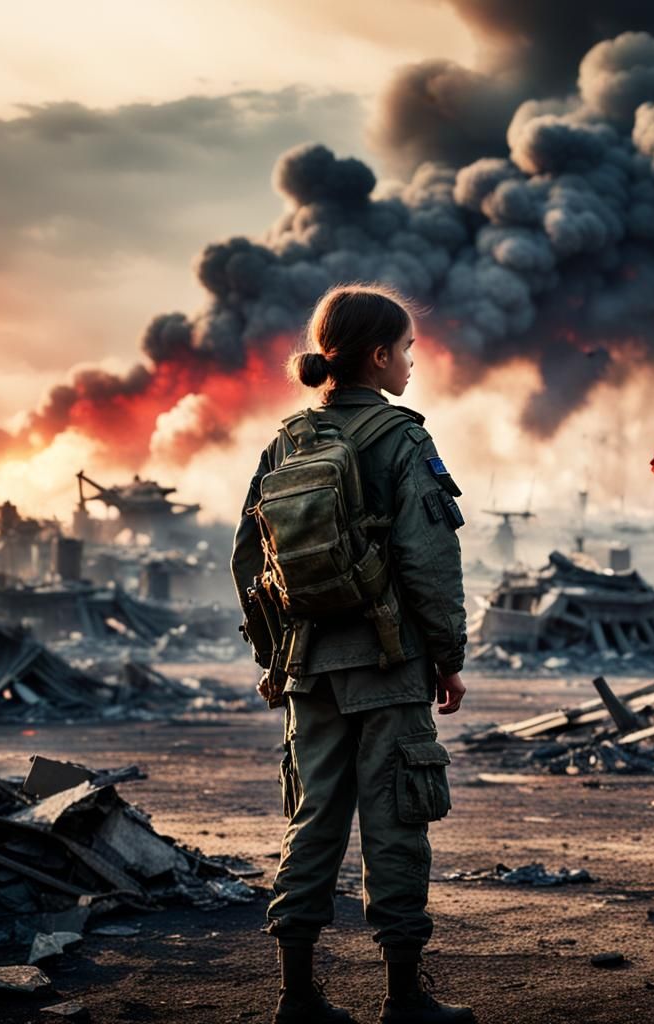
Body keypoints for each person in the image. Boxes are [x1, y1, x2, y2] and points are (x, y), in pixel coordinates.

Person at [231, 284, 474, 1024]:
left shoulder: (286, 440)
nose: (412, 364)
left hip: (309, 671)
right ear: (377, 355)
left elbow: (249, 562)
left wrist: (280, 658)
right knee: (397, 825)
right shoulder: (403, 438)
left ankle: (296, 995)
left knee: (312, 824)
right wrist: (448, 655)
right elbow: (429, 560)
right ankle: (404, 1001)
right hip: (387, 666)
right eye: (406, 350)